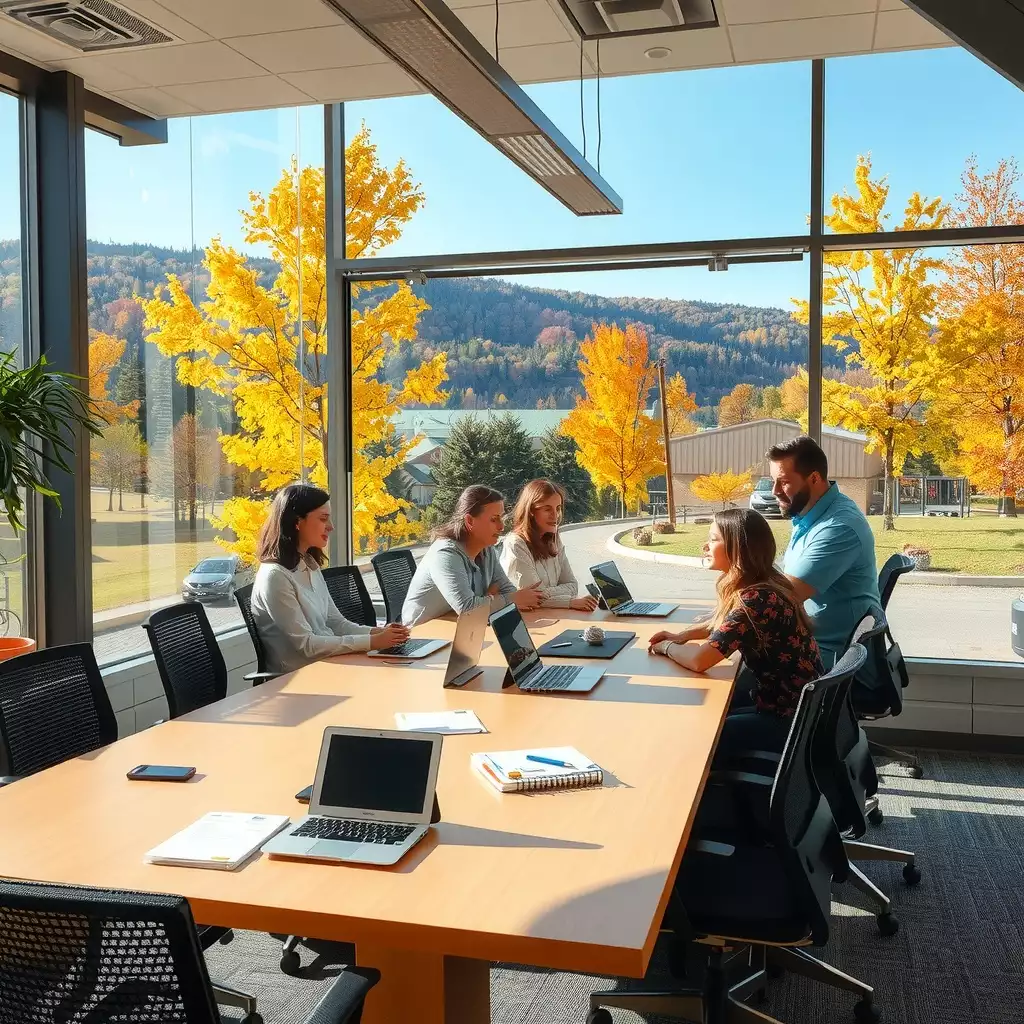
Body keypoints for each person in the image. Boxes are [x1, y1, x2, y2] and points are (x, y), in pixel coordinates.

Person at [648, 508, 823, 761]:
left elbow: (699, 661)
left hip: (789, 722)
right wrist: (682, 636)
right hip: (799, 710)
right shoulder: (770, 581)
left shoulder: (757, 599)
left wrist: (666, 647)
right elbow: (727, 626)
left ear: (738, 548)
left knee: (701, 734)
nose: (705, 546)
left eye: (713, 539)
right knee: (714, 714)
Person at [251, 483, 409, 673]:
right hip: (300, 677)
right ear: (297, 522)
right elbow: (306, 645)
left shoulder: (308, 563)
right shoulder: (274, 576)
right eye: (323, 519)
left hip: (329, 665)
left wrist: (378, 633)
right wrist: (372, 641)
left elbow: (336, 623)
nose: (331, 526)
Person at [767, 435, 881, 670]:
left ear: (814, 478)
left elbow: (781, 599)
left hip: (830, 660)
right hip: (811, 642)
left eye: (783, 482)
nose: (774, 491)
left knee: (729, 671)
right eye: (773, 481)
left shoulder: (838, 527)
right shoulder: (811, 515)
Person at [402, 485, 543, 626]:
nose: (501, 526)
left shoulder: (486, 548)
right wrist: (509, 599)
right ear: (469, 521)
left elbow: (505, 589)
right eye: (494, 519)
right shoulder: (445, 554)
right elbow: (467, 609)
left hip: (461, 626)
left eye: (501, 518)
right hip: (421, 632)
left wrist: (496, 600)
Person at [500, 479, 598, 612]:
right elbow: (533, 598)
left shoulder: (554, 540)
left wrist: (547, 593)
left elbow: (573, 585)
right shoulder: (516, 545)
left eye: (558, 508)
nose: (555, 515)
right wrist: (569, 602)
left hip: (554, 615)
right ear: (531, 511)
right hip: (530, 619)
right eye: (547, 509)